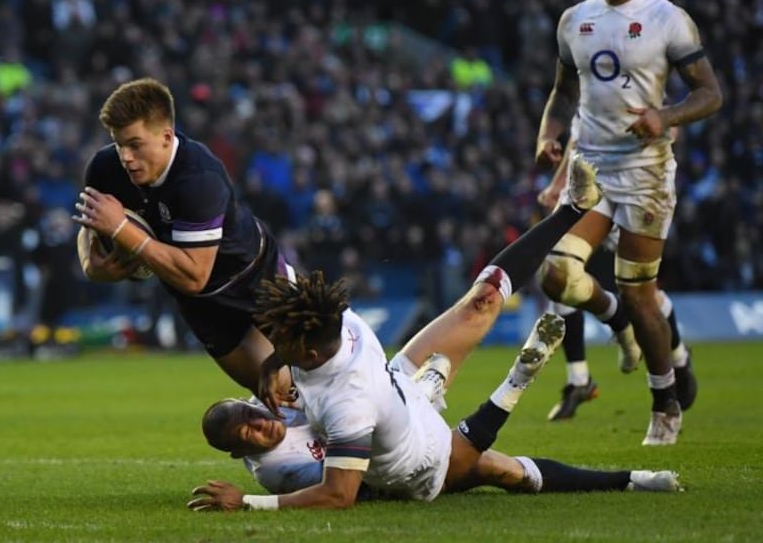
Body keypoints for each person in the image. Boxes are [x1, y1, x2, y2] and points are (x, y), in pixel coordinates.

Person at [186, 157, 680, 511]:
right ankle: (630, 479)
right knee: (506, 473)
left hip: (391, 384)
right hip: (419, 461)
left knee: (482, 298)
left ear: (311, 347)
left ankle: (572, 208)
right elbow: (342, 491)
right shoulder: (341, 365)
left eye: (282, 347)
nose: (275, 350)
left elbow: (334, 486)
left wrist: (249, 500)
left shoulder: (334, 353)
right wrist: (276, 367)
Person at [533, 0, 721, 444]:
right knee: (555, 275)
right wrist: (548, 134)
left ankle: (665, 403)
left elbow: (710, 94)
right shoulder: (575, 19)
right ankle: (616, 321)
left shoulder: (668, 19)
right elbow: (564, 92)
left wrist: (666, 116)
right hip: (591, 170)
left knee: (641, 294)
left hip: (646, 176)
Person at [197, 346, 679, 505]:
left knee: (494, 467)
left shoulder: (276, 405)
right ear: (244, 454)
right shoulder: (277, 471)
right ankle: (513, 380)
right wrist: (251, 504)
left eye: (256, 418)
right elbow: (348, 487)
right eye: (252, 436)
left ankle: (424, 391)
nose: (265, 427)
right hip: (395, 473)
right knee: (498, 469)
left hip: (388, 424)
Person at [74, 77, 294, 395]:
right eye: (119, 144)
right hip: (200, 304)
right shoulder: (105, 168)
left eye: (135, 144)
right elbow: (92, 224)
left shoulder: (199, 177)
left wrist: (122, 229)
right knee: (279, 394)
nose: (126, 157)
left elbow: (195, 274)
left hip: (254, 276)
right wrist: (90, 263)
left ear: (166, 136)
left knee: (321, 371)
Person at [537, 124, 696, 421]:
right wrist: (559, 183)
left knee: (641, 294)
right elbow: (579, 131)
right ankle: (579, 379)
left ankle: (679, 357)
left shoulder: (641, 81)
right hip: (591, 184)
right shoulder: (590, 83)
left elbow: (672, 125)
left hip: (635, 187)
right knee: (559, 273)